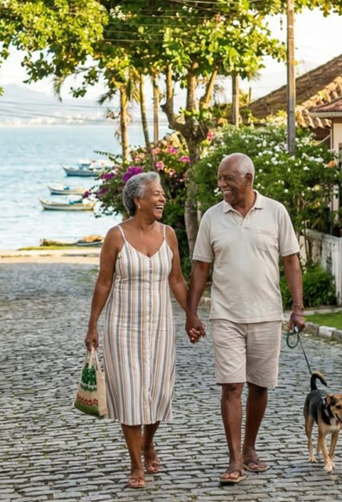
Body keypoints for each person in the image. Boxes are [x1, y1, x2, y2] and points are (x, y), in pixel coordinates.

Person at [185, 153, 305, 484]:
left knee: (260, 385)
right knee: (232, 385)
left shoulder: (276, 212)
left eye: (228, 178)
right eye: (220, 178)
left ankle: (250, 447)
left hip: (266, 314)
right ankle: (234, 458)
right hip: (226, 315)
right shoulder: (212, 217)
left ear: (248, 179)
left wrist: (298, 308)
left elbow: (291, 261)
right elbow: (200, 267)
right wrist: (191, 313)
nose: (221, 185)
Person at [85, 172, 190, 489]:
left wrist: (192, 315)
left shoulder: (169, 234)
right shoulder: (116, 236)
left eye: (162, 194)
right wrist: (92, 325)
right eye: (156, 194)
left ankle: (148, 443)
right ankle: (135, 464)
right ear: (137, 199)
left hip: (161, 327)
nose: (163, 198)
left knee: (158, 393)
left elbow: (176, 280)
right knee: (131, 396)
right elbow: (104, 282)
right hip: (122, 328)